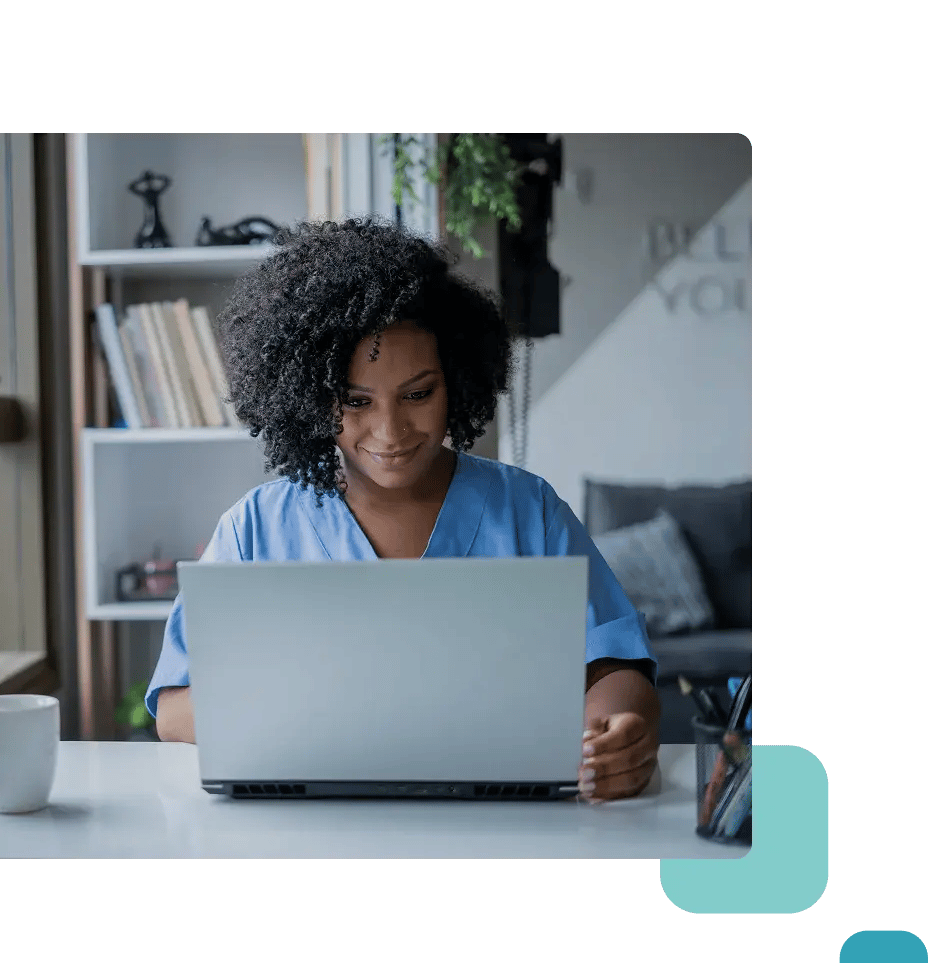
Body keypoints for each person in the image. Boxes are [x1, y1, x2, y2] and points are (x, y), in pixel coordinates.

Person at [144, 218, 660, 801]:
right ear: (309, 398)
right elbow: (174, 706)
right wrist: (341, 711)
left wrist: (619, 731)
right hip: (310, 837)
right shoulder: (254, 528)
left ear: (458, 381)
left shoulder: (527, 510)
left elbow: (615, 665)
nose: (391, 431)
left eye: (418, 394)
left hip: (504, 831)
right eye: (356, 401)